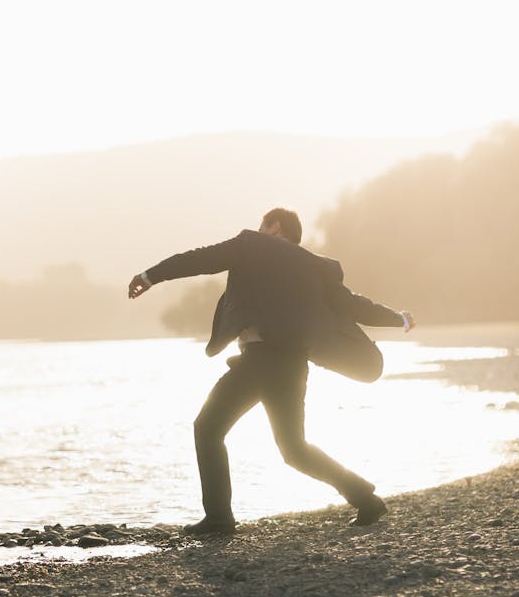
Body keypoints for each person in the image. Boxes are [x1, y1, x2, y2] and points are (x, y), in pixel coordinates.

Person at [128, 207, 415, 535]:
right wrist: (399, 318)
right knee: (294, 449)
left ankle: (219, 518)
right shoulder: (315, 268)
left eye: (262, 225)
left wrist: (150, 276)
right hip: (292, 364)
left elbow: (199, 259)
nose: (258, 230)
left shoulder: (251, 246)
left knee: (207, 428)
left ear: (274, 227)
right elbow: (354, 306)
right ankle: (364, 498)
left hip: (260, 361)